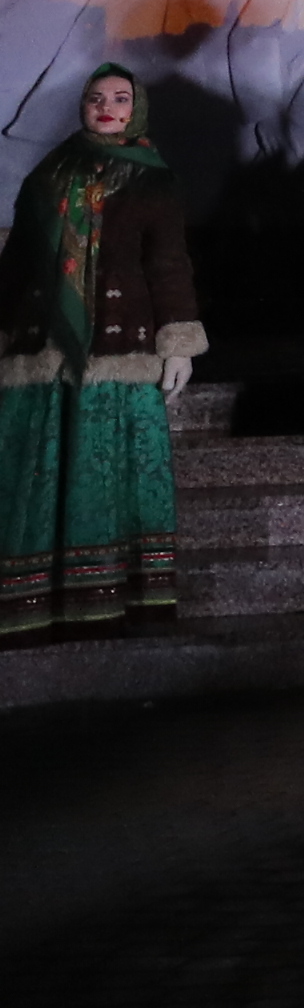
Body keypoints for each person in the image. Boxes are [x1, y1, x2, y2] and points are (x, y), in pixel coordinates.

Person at [0, 66, 203, 633]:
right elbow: (18, 262)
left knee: (111, 468)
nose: (106, 108)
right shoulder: (47, 175)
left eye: (119, 98)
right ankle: (34, 594)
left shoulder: (153, 181)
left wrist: (179, 344)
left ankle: (115, 593)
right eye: (96, 98)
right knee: (37, 470)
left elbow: (168, 263)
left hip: (118, 346)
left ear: (136, 109)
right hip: (42, 346)